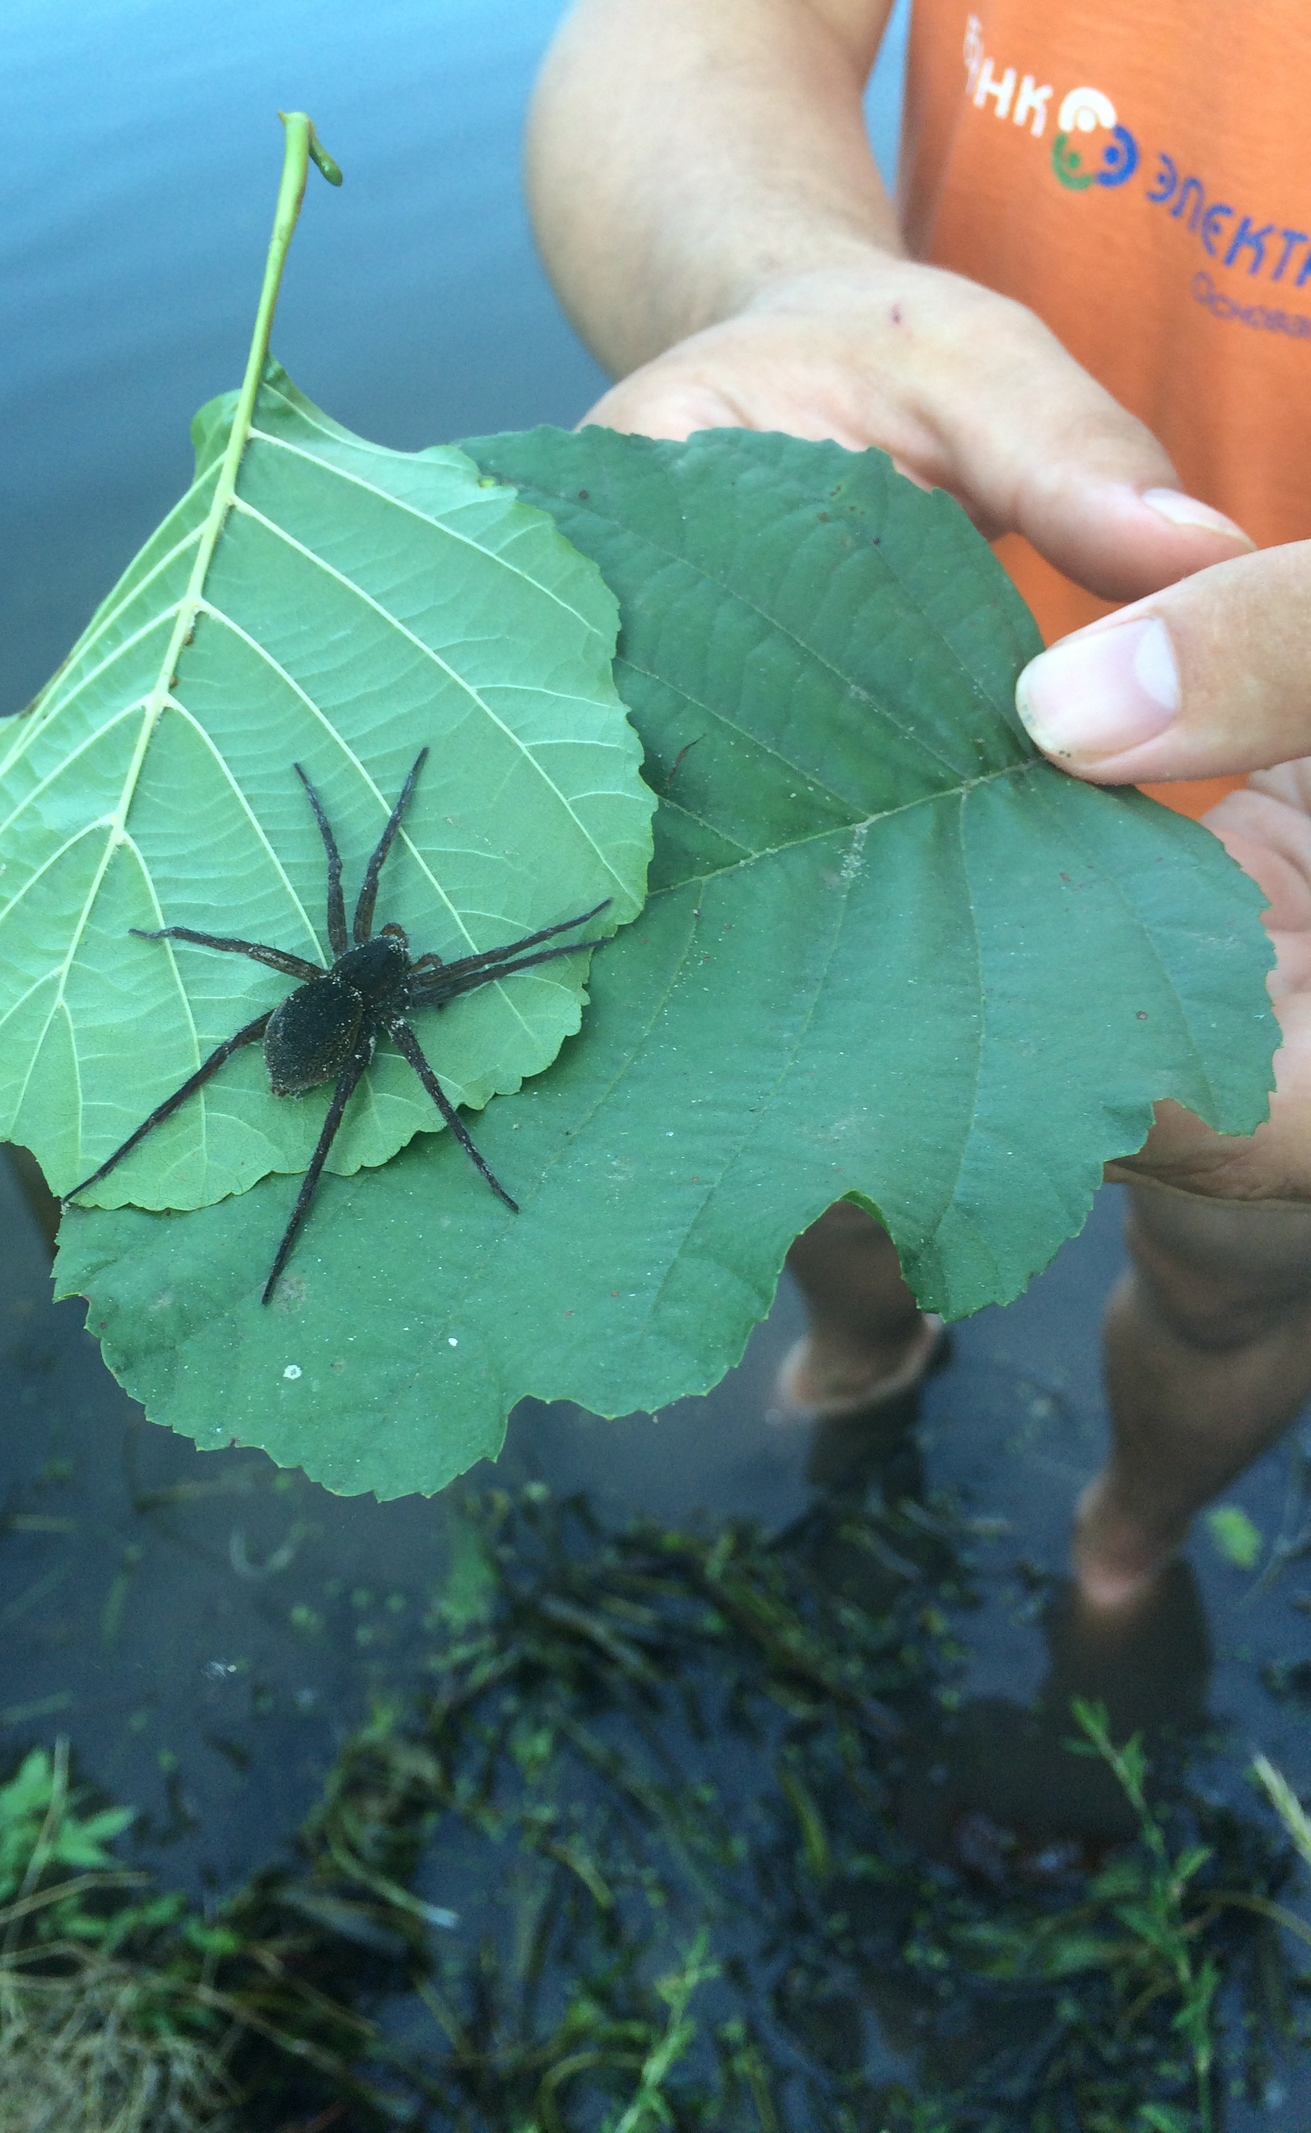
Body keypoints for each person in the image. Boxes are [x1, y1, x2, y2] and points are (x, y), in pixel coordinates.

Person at [525, 0, 1311, 1612]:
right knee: (822, 1158)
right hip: (875, 697)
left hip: (1281, 898)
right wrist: (782, 285)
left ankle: (1123, 1546)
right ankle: (865, 1356)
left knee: (1232, 1278)